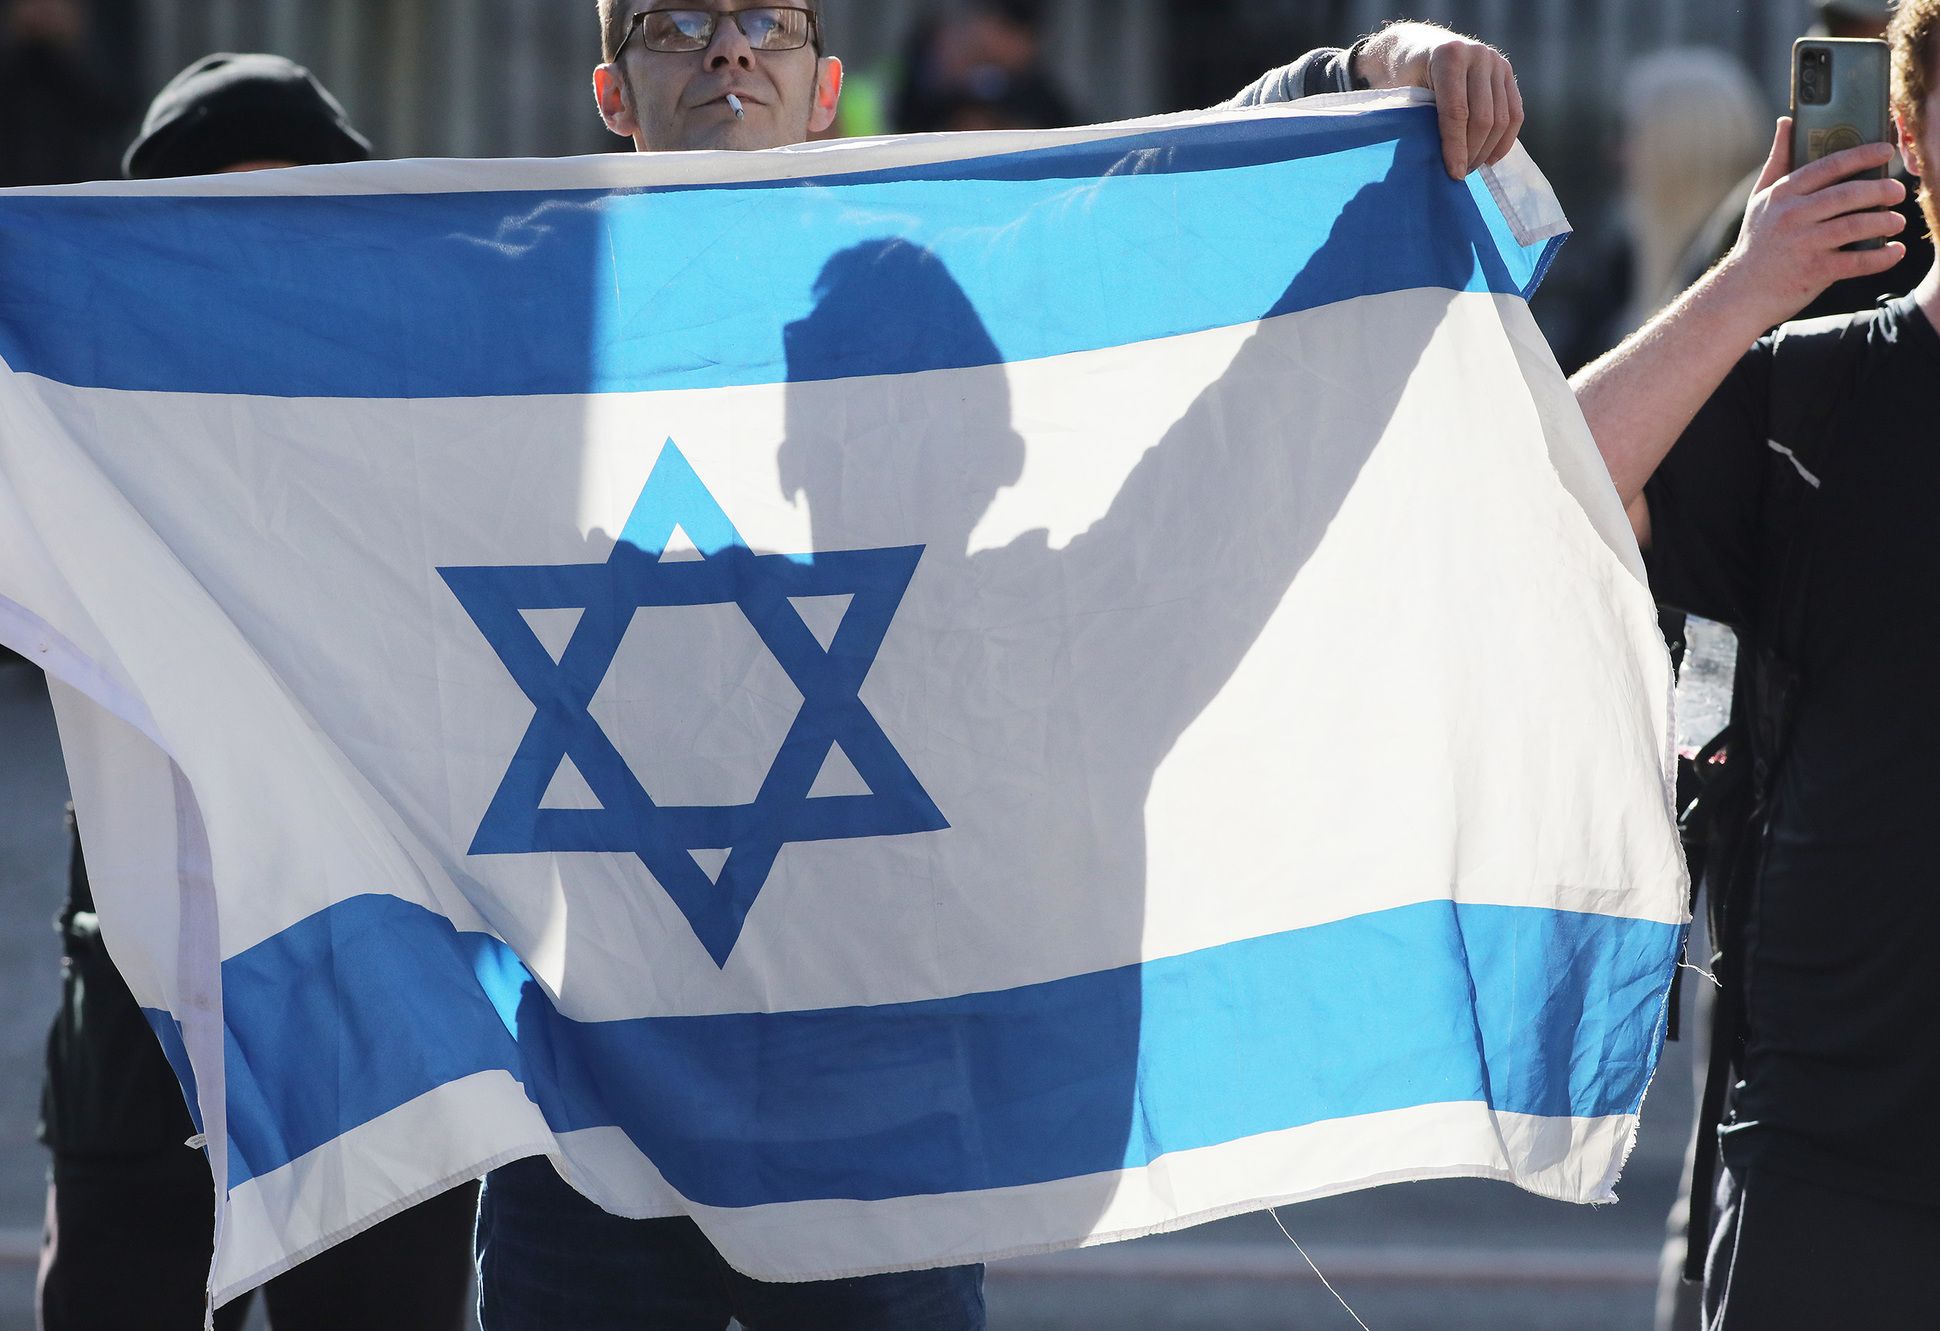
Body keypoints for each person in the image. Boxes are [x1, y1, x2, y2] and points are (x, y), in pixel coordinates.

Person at [469, 6, 1526, 1330]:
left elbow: (1163, 235)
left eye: (763, 21)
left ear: (827, 85)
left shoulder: (946, 331)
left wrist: (1358, 77)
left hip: (879, 1141)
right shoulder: (506, 343)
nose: (726, 51)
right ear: (613, 90)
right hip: (591, 1133)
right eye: (678, 20)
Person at [36, 53, 478, 1331]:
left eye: (290, 217)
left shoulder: (427, 408)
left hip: (379, 978)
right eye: (208, 221)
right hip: (139, 990)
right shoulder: (63, 412)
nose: (253, 255)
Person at [1573, 0, 1940, 1324]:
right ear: (1908, 135)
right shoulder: (1810, 387)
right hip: (1833, 1140)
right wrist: (1748, 284)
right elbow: (1545, 484)